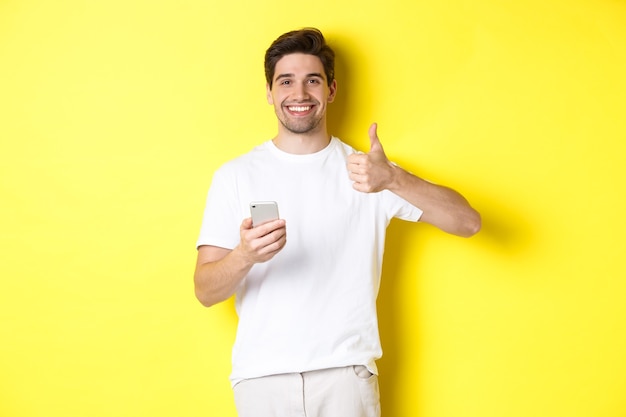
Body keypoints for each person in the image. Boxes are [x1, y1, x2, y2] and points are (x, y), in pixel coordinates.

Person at [194, 27, 481, 417]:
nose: (299, 94)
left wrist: (395, 178)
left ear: (330, 90)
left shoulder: (369, 172)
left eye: (312, 80)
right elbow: (205, 290)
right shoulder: (235, 176)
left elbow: (467, 222)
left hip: (346, 378)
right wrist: (244, 254)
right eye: (286, 82)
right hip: (262, 380)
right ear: (269, 92)